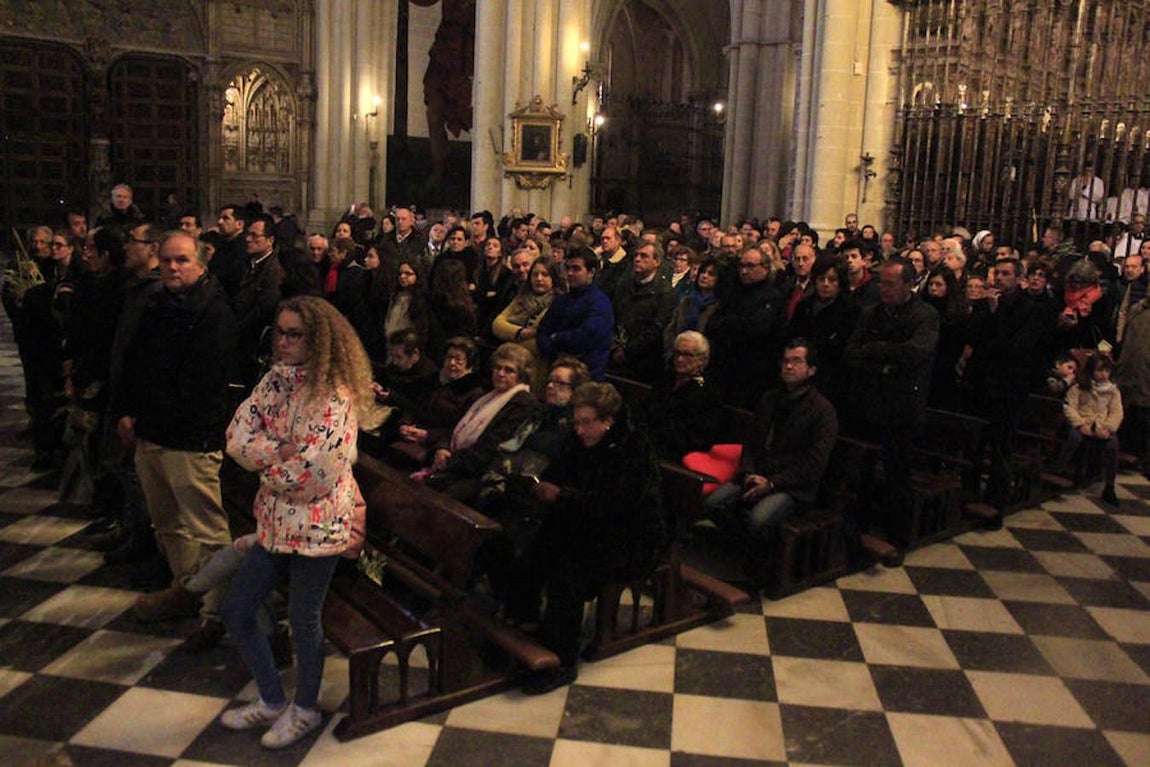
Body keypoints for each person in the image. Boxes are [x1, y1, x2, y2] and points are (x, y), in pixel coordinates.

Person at [218, 296, 384, 749]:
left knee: (303, 618)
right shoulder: (275, 381)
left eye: (295, 334)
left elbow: (314, 476)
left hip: (319, 526)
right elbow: (236, 438)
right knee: (236, 609)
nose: (283, 342)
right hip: (274, 522)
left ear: (319, 341)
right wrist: (279, 454)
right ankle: (273, 699)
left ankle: (305, 709)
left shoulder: (334, 399)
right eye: (280, 332)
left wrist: (269, 464)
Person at [112, 231, 238, 631]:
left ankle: (218, 610)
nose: (172, 267)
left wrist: (155, 417)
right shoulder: (156, 304)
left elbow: (200, 385)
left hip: (191, 440)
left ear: (201, 264)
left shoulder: (214, 312)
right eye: (166, 260)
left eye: (182, 260)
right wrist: (129, 412)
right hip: (152, 434)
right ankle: (187, 590)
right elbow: (137, 362)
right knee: (167, 523)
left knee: (205, 531)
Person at [519, 382, 666, 694]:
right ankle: (530, 627)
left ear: (608, 421)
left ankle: (563, 659)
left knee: (570, 573)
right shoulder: (579, 440)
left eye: (587, 422)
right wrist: (544, 484)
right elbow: (562, 472)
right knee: (530, 548)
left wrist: (563, 496)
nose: (580, 429)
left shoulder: (633, 449)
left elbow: (620, 505)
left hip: (630, 537)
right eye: (577, 421)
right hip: (586, 525)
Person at [701, 339, 838, 576]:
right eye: (786, 361)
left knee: (759, 519)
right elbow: (751, 442)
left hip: (793, 487)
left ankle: (762, 570)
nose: (789, 367)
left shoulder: (822, 411)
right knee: (714, 504)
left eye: (797, 361)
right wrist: (748, 472)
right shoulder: (770, 399)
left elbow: (813, 465)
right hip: (758, 475)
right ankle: (745, 553)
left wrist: (773, 483)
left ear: (812, 369)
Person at [423, 343, 539, 501]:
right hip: (460, 462)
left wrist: (450, 462)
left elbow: (492, 447)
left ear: (522, 375)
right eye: (498, 368)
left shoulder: (523, 404)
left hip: (482, 473)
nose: (500, 373)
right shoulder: (488, 396)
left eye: (509, 370)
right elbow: (458, 427)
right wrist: (442, 448)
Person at [537, 246, 615, 380]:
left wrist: (557, 338)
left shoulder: (600, 302)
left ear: (591, 272)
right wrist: (551, 351)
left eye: (576, 269)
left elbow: (586, 337)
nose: (570, 273)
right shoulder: (562, 300)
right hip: (556, 367)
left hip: (586, 374)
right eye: (568, 268)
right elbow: (543, 329)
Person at [1059, 353, 1123, 505]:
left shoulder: (1113, 390)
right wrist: (1080, 424)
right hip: (1083, 422)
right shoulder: (1079, 387)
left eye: (1106, 371)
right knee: (1074, 438)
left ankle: (1109, 486)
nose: (1103, 374)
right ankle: (1062, 468)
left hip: (1101, 426)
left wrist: (1108, 428)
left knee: (1113, 445)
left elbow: (1116, 412)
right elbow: (1069, 407)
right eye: (1099, 370)